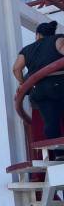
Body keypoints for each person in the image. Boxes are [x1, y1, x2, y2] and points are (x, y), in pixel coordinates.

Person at [13, 21, 64, 155]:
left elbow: (16, 68)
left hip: (39, 89)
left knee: (50, 122)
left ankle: (58, 155)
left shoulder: (27, 49)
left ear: (37, 35)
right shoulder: (58, 39)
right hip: (60, 82)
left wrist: (22, 83)